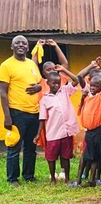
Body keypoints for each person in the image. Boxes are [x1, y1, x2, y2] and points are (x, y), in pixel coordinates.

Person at [0, 35, 42, 186]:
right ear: (12, 47)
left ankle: (29, 175)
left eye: (24, 43)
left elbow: (39, 82)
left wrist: (39, 87)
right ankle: (12, 179)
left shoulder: (32, 64)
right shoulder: (6, 66)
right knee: (14, 146)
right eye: (17, 43)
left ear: (27, 47)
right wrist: (7, 116)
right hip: (16, 112)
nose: (21, 45)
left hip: (34, 112)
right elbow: (2, 92)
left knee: (31, 146)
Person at [33, 66, 79, 184]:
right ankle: (53, 178)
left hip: (66, 132)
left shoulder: (64, 91)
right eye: (53, 83)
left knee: (66, 156)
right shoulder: (45, 99)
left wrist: (64, 70)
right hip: (53, 133)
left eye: (58, 83)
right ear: (47, 83)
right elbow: (42, 118)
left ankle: (67, 178)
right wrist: (38, 134)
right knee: (51, 157)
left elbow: (76, 80)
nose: (56, 86)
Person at [75, 57, 101, 188]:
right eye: (92, 86)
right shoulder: (87, 95)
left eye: (96, 86)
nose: (93, 88)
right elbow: (79, 76)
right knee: (93, 157)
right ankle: (91, 180)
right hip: (90, 132)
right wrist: (92, 65)